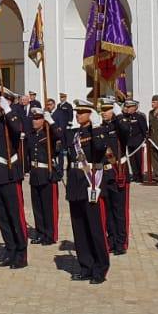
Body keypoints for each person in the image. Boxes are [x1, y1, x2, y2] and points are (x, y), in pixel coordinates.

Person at [64, 100, 109, 284]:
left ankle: (100, 268)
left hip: (91, 183)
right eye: (77, 112)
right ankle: (86, 266)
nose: (78, 115)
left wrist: (97, 127)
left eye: (82, 112)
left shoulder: (97, 131)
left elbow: (99, 150)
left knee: (95, 228)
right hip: (76, 183)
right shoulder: (76, 133)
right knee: (79, 229)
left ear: (90, 114)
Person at [0, 95, 28, 269]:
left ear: (8, 101)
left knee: (15, 216)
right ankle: (9, 249)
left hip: (10, 174)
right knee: (3, 216)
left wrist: (8, 109)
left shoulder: (15, 114)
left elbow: (18, 129)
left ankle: (21, 253)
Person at [97, 100, 130, 255]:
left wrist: (119, 115)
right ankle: (111, 240)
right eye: (102, 110)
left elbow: (126, 131)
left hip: (118, 172)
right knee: (108, 210)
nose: (104, 112)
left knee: (119, 211)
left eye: (107, 109)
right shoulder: (101, 127)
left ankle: (121, 243)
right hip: (104, 174)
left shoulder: (119, 126)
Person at [26, 108, 60, 245]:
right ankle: (40, 233)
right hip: (35, 173)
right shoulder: (32, 134)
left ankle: (50, 235)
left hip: (47, 174)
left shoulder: (49, 133)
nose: (35, 121)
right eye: (34, 118)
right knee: (37, 207)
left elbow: (59, 135)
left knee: (48, 207)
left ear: (43, 120)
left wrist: (51, 122)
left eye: (38, 118)